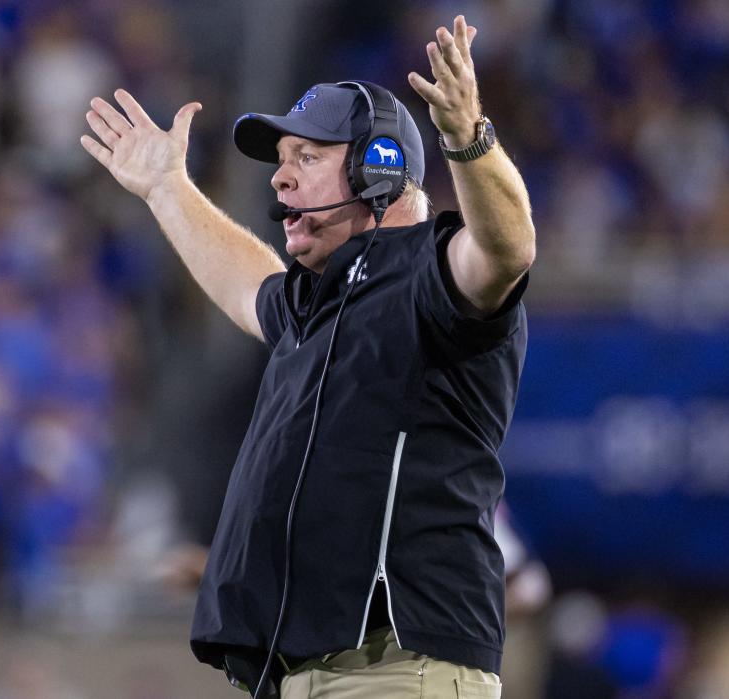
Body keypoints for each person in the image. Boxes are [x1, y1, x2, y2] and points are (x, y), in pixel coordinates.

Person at [82, 14, 535, 699]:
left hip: (398, 669)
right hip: (309, 674)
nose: (278, 180)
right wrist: (166, 189)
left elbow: (507, 251)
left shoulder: (426, 275)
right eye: (280, 160)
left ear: (376, 164)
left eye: (307, 157)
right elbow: (247, 285)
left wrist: (469, 141)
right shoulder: (319, 303)